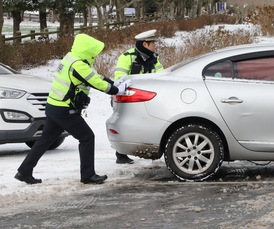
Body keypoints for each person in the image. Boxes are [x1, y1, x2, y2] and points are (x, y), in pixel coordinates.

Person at [15, 34, 132, 185]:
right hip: (65, 110)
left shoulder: (71, 58)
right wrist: (117, 89)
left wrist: (114, 82)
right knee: (87, 137)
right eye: (94, 52)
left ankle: (24, 171)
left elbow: (95, 77)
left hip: (53, 107)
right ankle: (88, 175)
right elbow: (98, 83)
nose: (96, 55)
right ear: (87, 50)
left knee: (44, 141)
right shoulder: (79, 66)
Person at [112, 29, 164, 164]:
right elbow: (119, 79)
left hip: (147, 97)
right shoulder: (127, 57)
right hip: (128, 97)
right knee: (125, 124)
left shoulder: (154, 58)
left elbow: (162, 76)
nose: (155, 46)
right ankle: (121, 154)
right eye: (153, 43)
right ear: (145, 44)